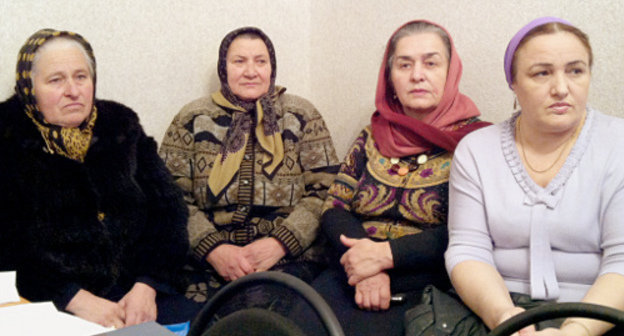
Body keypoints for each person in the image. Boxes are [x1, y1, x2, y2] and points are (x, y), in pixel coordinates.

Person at [292, 20, 489, 336]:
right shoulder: (372, 135)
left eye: (431, 62)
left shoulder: (479, 143)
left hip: (430, 286)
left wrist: (386, 258)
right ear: (389, 77)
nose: (417, 75)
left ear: (451, 72)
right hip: (352, 272)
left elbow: (474, 231)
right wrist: (367, 267)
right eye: (404, 64)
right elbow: (334, 208)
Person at [0, 29, 191, 328]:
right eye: (56, 80)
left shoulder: (121, 125)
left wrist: (148, 284)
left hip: (135, 294)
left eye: (81, 76)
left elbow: (169, 211)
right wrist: (73, 298)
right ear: (29, 87)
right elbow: (6, 244)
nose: (73, 90)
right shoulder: (6, 139)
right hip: (49, 302)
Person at [446, 17, 624, 335]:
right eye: (542, 73)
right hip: (498, 310)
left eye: (576, 71)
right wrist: (504, 317)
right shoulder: (476, 150)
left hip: (602, 313)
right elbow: (467, 248)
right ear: (513, 82)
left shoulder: (618, 145)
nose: (561, 88)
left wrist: (577, 330)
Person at [158, 26, 339, 315]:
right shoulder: (192, 117)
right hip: (205, 262)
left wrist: (281, 243)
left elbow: (327, 190)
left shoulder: (301, 114)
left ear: (272, 67)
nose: (251, 71)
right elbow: (170, 197)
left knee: (266, 321)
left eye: (260, 61)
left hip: (288, 259)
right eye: (239, 61)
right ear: (223, 68)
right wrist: (214, 250)